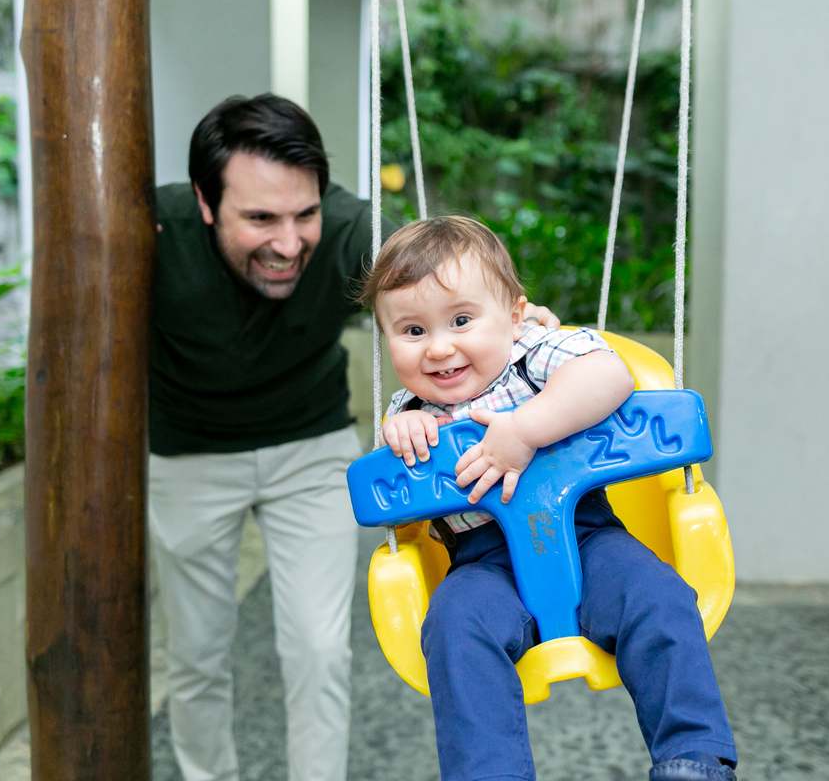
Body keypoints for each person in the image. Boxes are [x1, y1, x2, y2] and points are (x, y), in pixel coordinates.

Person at [148, 94, 557, 781]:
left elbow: (453, 288)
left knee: (317, 648)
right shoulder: (150, 227)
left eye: (303, 213)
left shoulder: (351, 229)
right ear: (205, 202)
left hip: (311, 449)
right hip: (189, 454)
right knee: (196, 657)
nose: (287, 242)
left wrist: (526, 330)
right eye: (260, 219)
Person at [360, 216, 738, 781]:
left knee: (659, 597)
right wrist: (399, 440)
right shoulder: (411, 411)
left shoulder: (533, 351)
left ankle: (694, 758)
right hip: (482, 562)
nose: (439, 348)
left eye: (462, 320)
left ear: (513, 316)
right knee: (454, 625)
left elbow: (607, 375)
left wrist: (524, 430)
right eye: (412, 331)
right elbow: (395, 490)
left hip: (589, 540)